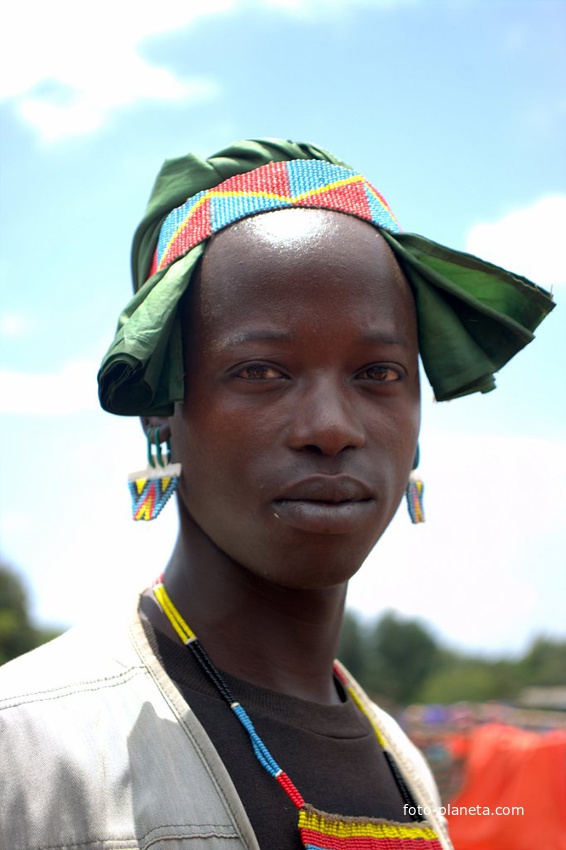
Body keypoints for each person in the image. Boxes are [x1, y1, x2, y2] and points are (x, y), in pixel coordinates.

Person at [0, 139, 553, 850]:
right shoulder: (31, 752)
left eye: (378, 373)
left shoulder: (405, 767)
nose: (332, 426)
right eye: (261, 370)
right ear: (162, 412)